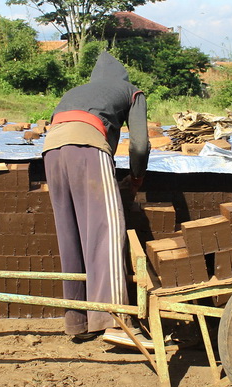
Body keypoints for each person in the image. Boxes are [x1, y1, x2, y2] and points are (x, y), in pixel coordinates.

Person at [42, 50, 151, 348]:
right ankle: (116, 322)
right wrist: (137, 177)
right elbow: (139, 143)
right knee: (106, 233)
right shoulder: (132, 91)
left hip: (51, 150)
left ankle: (78, 323)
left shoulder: (75, 91)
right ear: (123, 77)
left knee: (71, 235)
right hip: (88, 146)